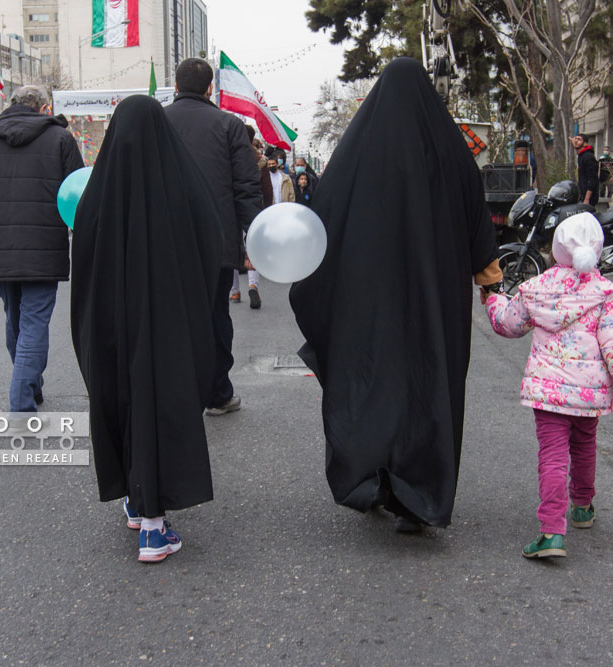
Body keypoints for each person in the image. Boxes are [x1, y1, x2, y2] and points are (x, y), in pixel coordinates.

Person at [289, 57, 502, 532]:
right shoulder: (451, 149)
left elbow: (324, 218)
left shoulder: (359, 151)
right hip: (436, 300)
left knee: (376, 380)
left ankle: (376, 480)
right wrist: (489, 280)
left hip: (371, 300)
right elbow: (477, 220)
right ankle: (418, 497)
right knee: (430, 383)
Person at [71, 95, 223, 563]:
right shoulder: (185, 187)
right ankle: (154, 528)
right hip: (171, 328)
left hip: (113, 329)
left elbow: (84, 275)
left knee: (122, 400)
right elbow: (211, 250)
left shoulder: (97, 196)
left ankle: (137, 499)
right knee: (163, 404)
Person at [482, 212, 613, 558]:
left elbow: (508, 324)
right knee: (585, 447)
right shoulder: (605, 293)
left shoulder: (537, 289)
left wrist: (493, 300)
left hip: (550, 393)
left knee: (553, 457)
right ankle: (582, 507)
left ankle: (552, 532)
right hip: (589, 395)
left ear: (556, 250)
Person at [0, 85, 83, 413]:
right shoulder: (60, 139)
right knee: (34, 323)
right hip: (44, 249)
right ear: (43, 107)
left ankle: (31, 384)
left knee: (16, 321)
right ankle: (22, 401)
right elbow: (80, 195)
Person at [164, 58, 262, 416]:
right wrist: (255, 238)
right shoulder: (229, 126)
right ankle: (218, 393)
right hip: (216, 242)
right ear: (209, 88)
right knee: (215, 314)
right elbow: (246, 187)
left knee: (170, 315)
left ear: (175, 86)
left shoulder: (156, 121)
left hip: (164, 242)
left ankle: (176, 393)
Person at [230, 125, 272, 309]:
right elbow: (267, 188)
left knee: (232, 246)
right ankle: (253, 284)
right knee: (253, 247)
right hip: (255, 208)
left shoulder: (229, 155)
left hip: (231, 208)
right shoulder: (259, 160)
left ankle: (234, 291)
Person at [569, 134, 599, 207]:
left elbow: (592, 179)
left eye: (579, 139)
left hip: (589, 198)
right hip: (582, 195)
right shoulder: (581, 155)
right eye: (575, 139)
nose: (576, 141)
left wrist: (587, 199)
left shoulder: (588, 157)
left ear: (585, 144)